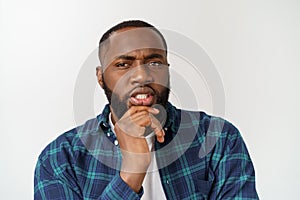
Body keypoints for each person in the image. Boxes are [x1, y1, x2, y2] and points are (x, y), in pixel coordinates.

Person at [34, 20, 259, 199]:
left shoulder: (219, 138)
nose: (142, 75)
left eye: (154, 62)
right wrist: (131, 174)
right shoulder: (60, 158)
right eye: (123, 64)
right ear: (100, 77)